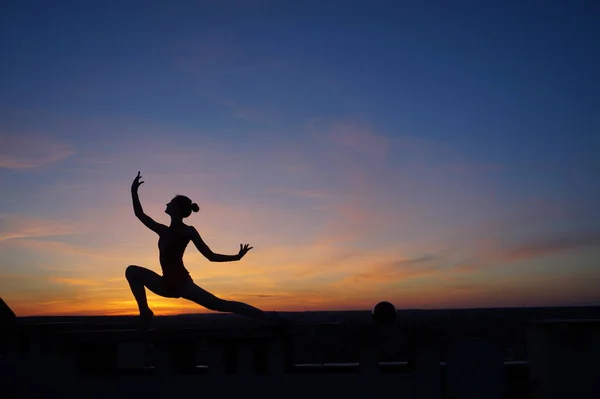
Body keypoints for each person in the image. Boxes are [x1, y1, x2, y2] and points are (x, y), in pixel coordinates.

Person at [125, 171, 283, 328]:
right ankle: (145, 312)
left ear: (177, 209)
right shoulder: (163, 230)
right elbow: (140, 214)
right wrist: (134, 192)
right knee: (132, 271)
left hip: (182, 283)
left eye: (171, 203)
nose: (167, 204)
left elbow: (210, 256)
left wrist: (236, 257)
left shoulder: (188, 231)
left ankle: (269, 318)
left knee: (220, 305)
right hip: (165, 283)